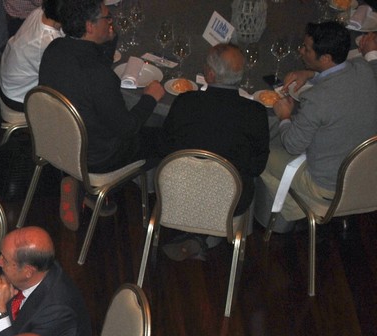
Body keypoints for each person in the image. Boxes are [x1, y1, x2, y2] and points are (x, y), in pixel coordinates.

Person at [39, 0, 164, 230]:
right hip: (96, 158)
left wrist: (108, 37)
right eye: (107, 18)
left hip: (59, 143)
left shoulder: (54, 49)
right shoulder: (98, 76)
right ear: (89, 26)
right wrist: (150, 98)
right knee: (162, 137)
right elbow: (127, 128)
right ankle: (96, 189)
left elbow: (94, 66)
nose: (111, 22)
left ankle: (80, 183)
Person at [255, 22, 377, 232]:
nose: (301, 51)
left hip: (327, 188)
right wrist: (311, 73)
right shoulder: (365, 70)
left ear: (326, 58)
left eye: (307, 49)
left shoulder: (316, 99)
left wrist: (284, 116)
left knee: (259, 152)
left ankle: (293, 214)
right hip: (367, 177)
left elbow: (292, 145)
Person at [157, 44, 270, 262]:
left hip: (178, 192)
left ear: (210, 74)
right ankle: (203, 236)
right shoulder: (255, 113)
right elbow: (257, 166)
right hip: (230, 202)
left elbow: (164, 148)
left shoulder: (185, 102)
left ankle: (196, 235)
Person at [0, 0, 63, 114]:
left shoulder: (39, 12)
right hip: (17, 97)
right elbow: (58, 79)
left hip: (8, 81)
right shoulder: (48, 41)